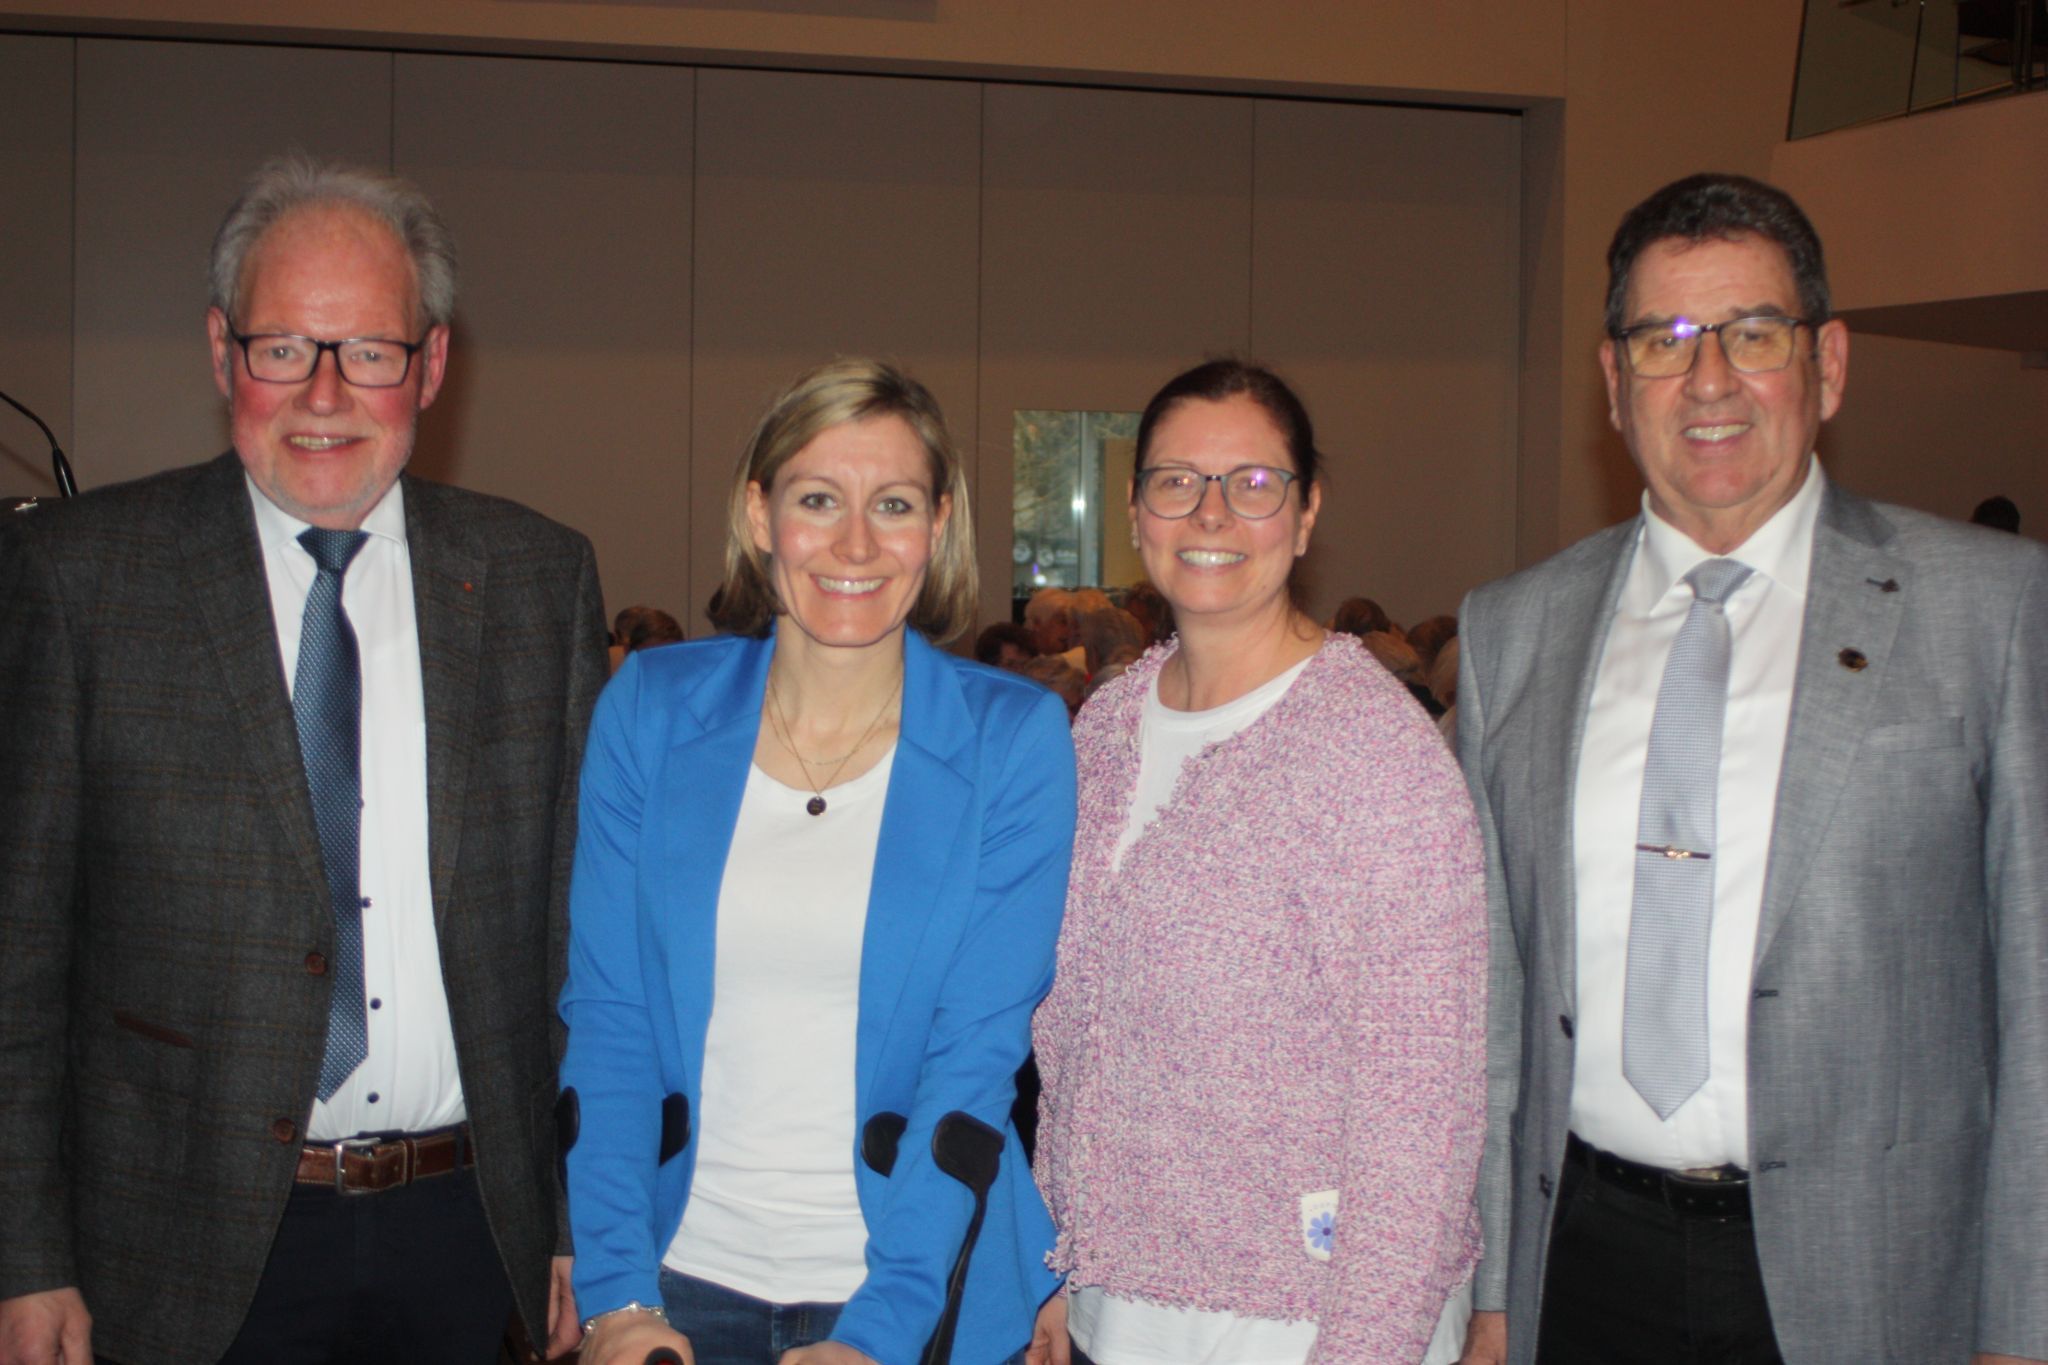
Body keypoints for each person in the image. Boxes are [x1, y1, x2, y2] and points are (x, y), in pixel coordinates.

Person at [0, 154, 606, 1365]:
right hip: (175, 1247)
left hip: (469, 1235)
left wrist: (580, 1225)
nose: (324, 394)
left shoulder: (538, 581)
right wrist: (25, 1256)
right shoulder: (81, 578)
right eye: (285, 347)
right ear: (223, 351)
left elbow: (572, 943)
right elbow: (18, 954)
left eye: (369, 351)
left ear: (430, 365)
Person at [1455, 173, 2048, 1365]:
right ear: (1612, 383)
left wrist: (2021, 1327)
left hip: (1874, 1278)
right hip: (1581, 1262)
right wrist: (1488, 1296)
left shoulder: (1990, 608)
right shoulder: (1508, 631)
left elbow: (2035, 995)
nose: (1709, 379)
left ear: (1826, 366)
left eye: (1752, 334)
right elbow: (1493, 1004)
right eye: (1664, 341)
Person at [559, 358, 1075, 1365]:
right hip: (678, 1278)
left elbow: (973, 1064)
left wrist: (881, 1333)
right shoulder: (651, 710)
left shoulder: (1011, 738)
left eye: (891, 504)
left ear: (936, 526)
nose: (853, 543)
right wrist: (617, 1294)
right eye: (815, 500)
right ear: (759, 517)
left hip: (912, 1285)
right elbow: (610, 1020)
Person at [1030, 360, 1487, 1365]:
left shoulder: (1374, 755)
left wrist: (1365, 1349)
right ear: (1136, 509)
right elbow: (1079, 1037)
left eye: (1252, 482)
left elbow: (1424, 1110)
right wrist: (1051, 1257)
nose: (1210, 513)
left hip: (1295, 1319)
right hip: (1112, 1299)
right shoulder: (1103, 728)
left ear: (1306, 510)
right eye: (1176, 481)